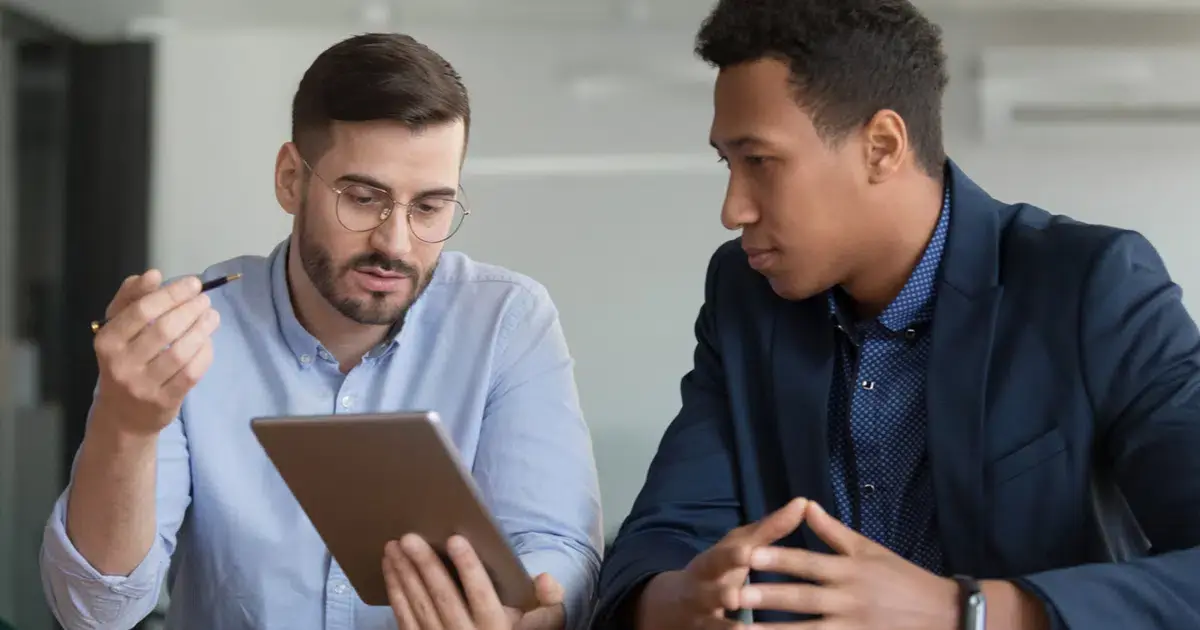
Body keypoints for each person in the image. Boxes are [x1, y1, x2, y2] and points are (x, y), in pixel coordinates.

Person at [593, 1, 1200, 629]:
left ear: (881, 147)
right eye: (728, 163)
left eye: (760, 162)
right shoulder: (744, 294)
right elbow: (663, 535)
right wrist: (679, 599)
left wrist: (964, 611)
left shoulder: (1091, 285)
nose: (733, 208)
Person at [40, 33, 602, 630]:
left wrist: (528, 615)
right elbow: (95, 612)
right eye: (363, 199)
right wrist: (125, 428)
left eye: (430, 208)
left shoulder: (506, 321)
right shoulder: (187, 333)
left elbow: (558, 549)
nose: (396, 242)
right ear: (290, 179)